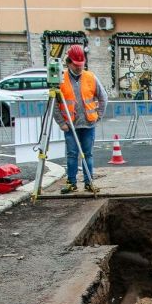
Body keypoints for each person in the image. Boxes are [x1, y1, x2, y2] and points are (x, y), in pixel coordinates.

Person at [52, 44, 108, 194]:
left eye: (81, 64)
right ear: (69, 63)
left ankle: (89, 182)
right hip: (70, 125)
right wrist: (61, 122)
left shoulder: (90, 77)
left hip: (88, 124)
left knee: (87, 154)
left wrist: (98, 116)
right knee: (72, 154)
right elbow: (54, 103)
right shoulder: (60, 79)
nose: (79, 67)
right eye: (76, 65)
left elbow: (103, 98)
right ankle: (71, 182)